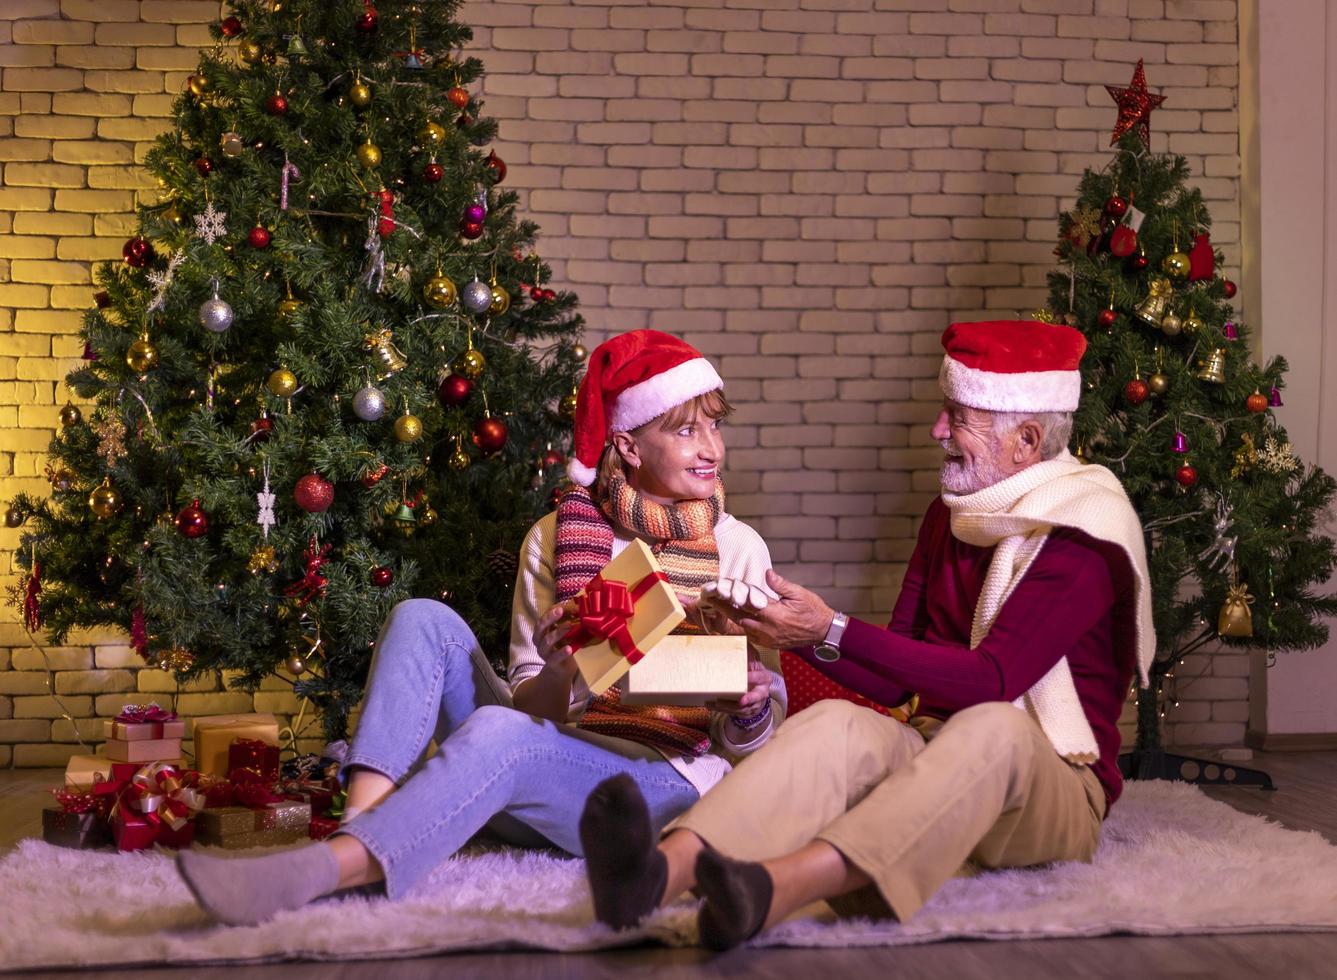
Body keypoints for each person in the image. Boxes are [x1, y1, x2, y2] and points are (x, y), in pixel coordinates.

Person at [177, 330, 787, 925]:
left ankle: (327, 870)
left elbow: (758, 741)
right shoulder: (557, 537)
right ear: (627, 446)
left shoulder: (737, 549)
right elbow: (533, 702)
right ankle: (360, 831)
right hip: (553, 753)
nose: (712, 448)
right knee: (423, 619)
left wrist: (750, 704)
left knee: (500, 733)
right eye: (685, 429)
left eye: (714, 426)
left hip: (655, 788)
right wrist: (562, 668)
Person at [579, 319, 1154, 950]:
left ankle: (774, 888)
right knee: (834, 723)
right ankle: (656, 876)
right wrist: (800, 636)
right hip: (936, 751)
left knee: (996, 723)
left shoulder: (1086, 530)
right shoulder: (951, 517)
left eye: (956, 416)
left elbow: (994, 681)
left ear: (1025, 439)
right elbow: (897, 666)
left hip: (1053, 787)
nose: (938, 431)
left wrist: (831, 627)